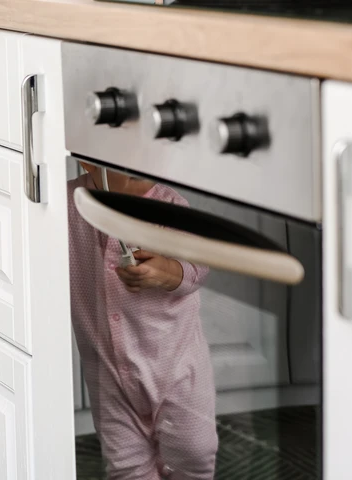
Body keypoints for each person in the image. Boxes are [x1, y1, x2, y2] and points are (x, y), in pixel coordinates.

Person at [68, 162, 218, 479]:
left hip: (177, 369)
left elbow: (198, 266)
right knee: (127, 466)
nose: (138, 160)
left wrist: (168, 271)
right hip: (109, 376)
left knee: (194, 452)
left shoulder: (170, 207)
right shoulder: (68, 204)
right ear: (86, 161)